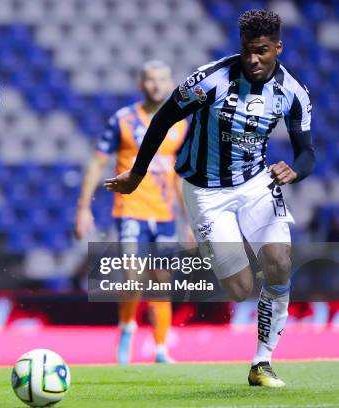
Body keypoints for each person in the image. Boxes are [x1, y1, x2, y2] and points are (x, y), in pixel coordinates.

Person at [105, 9, 314, 387]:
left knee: (280, 260)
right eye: (248, 50)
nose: (253, 59)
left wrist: (296, 170)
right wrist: (137, 175)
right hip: (205, 191)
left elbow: (307, 151)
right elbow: (163, 118)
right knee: (240, 289)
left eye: (262, 51)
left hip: (255, 184)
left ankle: (262, 362)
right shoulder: (209, 80)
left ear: (278, 48)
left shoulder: (293, 93)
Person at [75, 60, 188, 364]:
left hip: (164, 215)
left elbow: (181, 176)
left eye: (161, 80)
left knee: (162, 282)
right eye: (150, 80)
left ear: (170, 83)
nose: (155, 85)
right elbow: (98, 162)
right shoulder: (123, 120)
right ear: (141, 84)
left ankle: (161, 349)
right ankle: (127, 328)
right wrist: (84, 208)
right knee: (133, 276)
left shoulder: (181, 124)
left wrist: (190, 220)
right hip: (131, 209)